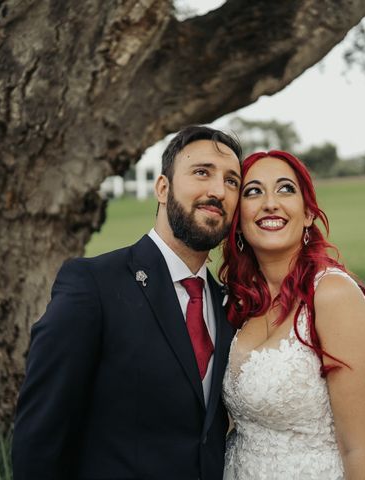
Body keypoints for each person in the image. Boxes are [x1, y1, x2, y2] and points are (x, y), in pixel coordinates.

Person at [12, 126, 242, 480]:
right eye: (202, 172)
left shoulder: (226, 303)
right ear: (162, 188)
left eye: (232, 182)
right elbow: (40, 435)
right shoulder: (92, 285)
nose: (217, 191)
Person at [219, 150, 365, 480]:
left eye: (286, 189)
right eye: (252, 191)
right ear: (238, 220)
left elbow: (360, 449)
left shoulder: (332, 295)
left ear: (309, 213)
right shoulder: (239, 302)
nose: (269, 202)